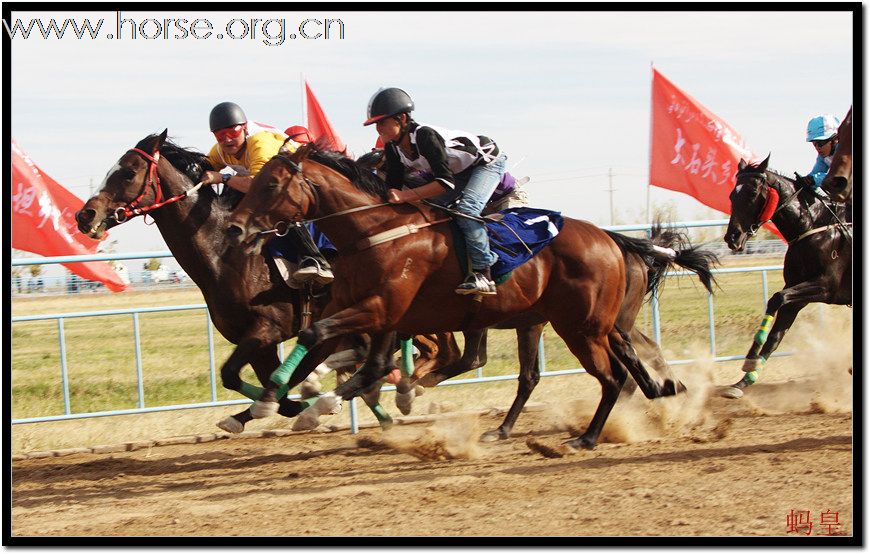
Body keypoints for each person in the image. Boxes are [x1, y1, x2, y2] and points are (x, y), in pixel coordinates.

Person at [364, 87, 506, 296]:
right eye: (375, 124)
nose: (378, 129)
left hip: (486, 164)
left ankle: (484, 272)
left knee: (466, 209)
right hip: (459, 171)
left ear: (401, 119)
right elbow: (391, 188)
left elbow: (445, 183)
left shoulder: (424, 136)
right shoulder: (393, 147)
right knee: (429, 209)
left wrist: (405, 196)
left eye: (381, 122)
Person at [199, 102, 334, 285]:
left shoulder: (260, 142)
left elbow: (256, 187)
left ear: (245, 128)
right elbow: (202, 168)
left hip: (309, 184)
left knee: (277, 201)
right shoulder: (220, 151)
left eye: (233, 132)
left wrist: (222, 178)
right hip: (278, 183)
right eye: (220, 135)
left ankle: (314, 258)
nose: (227, 140)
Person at [805, 113, 841, 190]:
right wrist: (806, 181)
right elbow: (814, 175)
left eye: (820, 143)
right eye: (814, 144)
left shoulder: (847, 151)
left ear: (835, 139)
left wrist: (816, 179)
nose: (817, 148)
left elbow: (841, 178)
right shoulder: (823, 157)